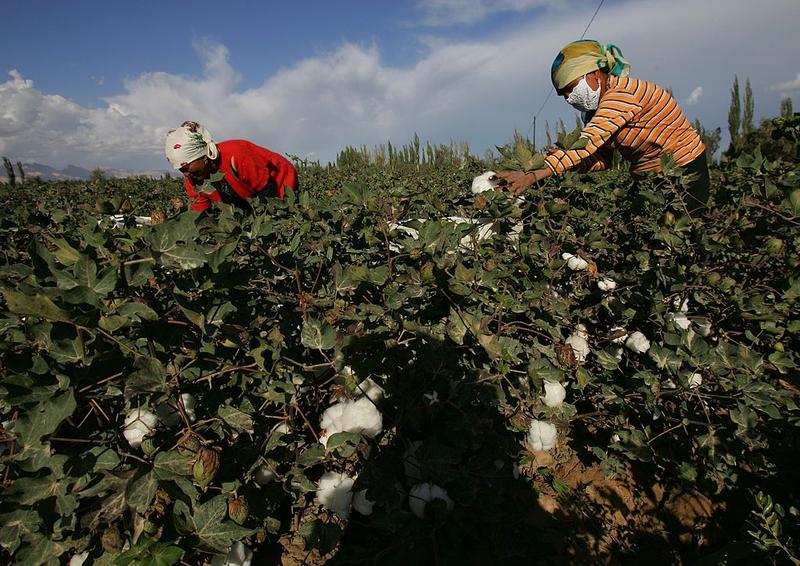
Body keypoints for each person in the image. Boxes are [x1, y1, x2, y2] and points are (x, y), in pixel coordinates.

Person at [501, 40, 709, 214]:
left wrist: (531, 175)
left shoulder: (622, 95)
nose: (569, 98)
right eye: (563, 94)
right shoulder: (594, 113)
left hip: (683, 171)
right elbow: (602, 159)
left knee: (679, 236)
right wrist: (571, 162)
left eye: (571, 88)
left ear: (594, 73)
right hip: (649, 178)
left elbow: (588, 142)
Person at [164, 121, 298, 212]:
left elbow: (267, 188)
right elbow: (200, 212)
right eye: (181, 170)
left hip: (280, 180)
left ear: (204, 156)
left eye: (187, 167)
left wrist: (254, 222)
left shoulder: (236, 155)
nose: (186, 174)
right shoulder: (193, 179)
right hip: (248, 194)